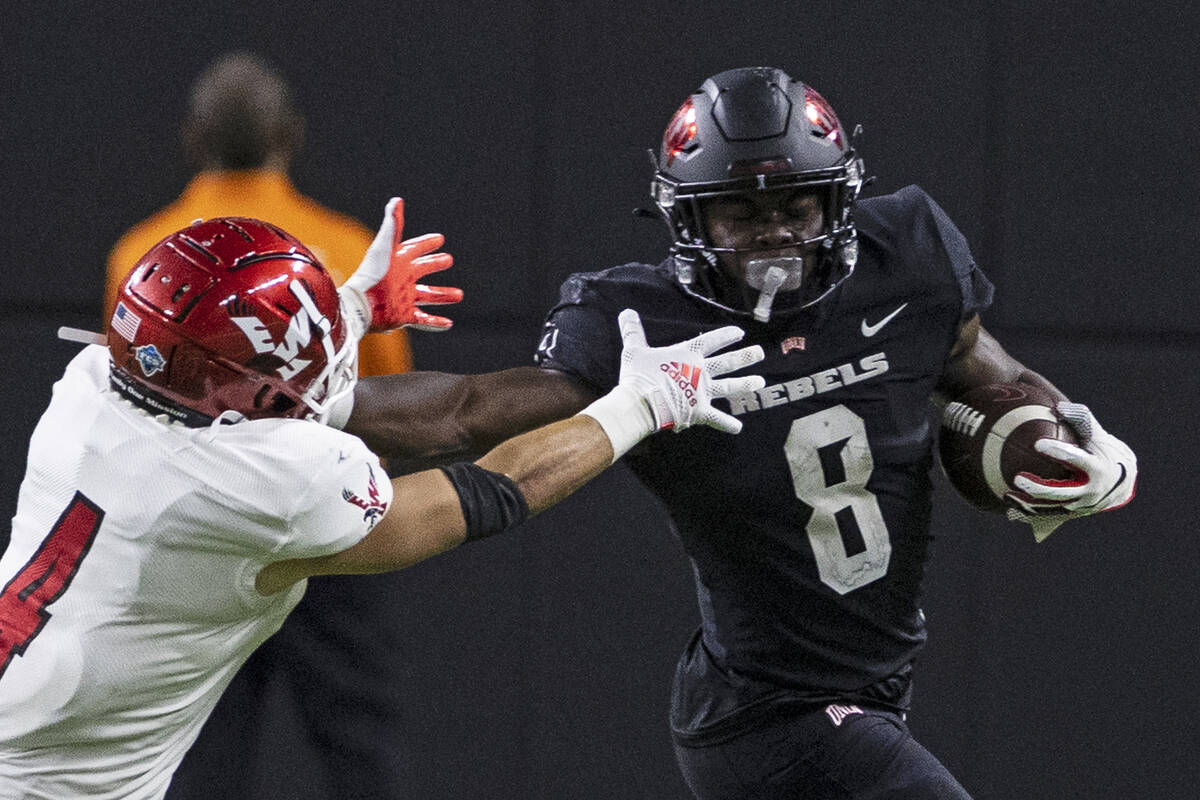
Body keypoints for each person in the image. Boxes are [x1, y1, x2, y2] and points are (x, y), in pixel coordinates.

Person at [342, 67, 1138, 799]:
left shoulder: (910, 258)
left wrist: (1079, 438)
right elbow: (467, 412)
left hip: (875, 689)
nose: (773, 234)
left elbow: (987, 374)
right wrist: (298, 396)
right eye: (741, 212)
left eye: (795, 206)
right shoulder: (644, 329)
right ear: (686, 215)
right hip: (766, 715)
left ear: (838, 200)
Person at [0, 200, 765, 799]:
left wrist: (347, 312)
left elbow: (252, 395)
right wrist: (639, 406)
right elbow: (490, 489)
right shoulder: (266, 487)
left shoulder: (95, 382)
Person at [105, 50, 413, 376]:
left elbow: (127, 388)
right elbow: (390, 389)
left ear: (193, 138)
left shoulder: (140, 254)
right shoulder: (353, 249)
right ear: (292, 135)